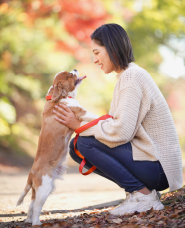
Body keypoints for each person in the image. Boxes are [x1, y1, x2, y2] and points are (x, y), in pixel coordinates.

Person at [53, 23, 183, 215]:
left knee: (84, 144)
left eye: (97, 52)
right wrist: (81, 119)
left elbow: (120, 131)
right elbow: (115, 123)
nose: (95, 59)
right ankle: (138, 193)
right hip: (153, 165)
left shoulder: (131, 78)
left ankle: (143, 196)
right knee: (76, 147)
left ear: (112, 47)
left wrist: (80, 125)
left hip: (159, 168)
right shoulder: (128, 76)